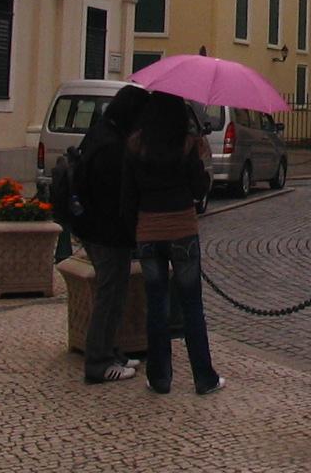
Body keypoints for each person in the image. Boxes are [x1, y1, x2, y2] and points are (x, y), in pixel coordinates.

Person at [122, 92, 224, 397]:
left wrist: (133, 231)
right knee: (192, 305)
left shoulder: (135, 145)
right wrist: (199, 160)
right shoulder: (187, 145)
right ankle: (203, 377)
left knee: (156, 305)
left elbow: (128, 195)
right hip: (182, 231)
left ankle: (159, 377)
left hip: (148, 232)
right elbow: (199, 190)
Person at [75, 82, 149, 384]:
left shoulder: (101, 133)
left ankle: (112, 351)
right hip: (107, 233)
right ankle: (99, 361)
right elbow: (115, 196)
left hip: (96, 230)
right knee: (109, 295)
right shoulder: (112, 147)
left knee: (116, 293)